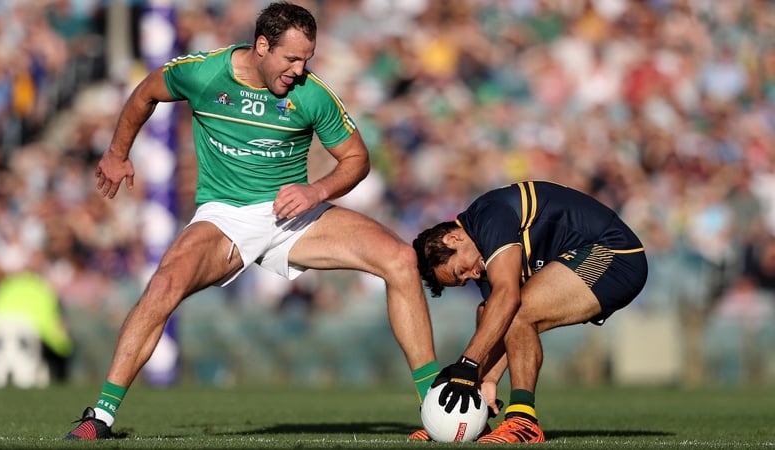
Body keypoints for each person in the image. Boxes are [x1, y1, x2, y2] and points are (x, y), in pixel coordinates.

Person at [64, 2, 437, 440]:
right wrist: (116, 153)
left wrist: (316, 190)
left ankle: (435, 405)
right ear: (262, 46)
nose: (300, 70)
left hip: (293, 216)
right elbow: (146, 91)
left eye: (307, 60)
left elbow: (357, 158)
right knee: (164, 285)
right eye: (291, 59)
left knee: (400, 259)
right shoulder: (203, 73)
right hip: (226, 218)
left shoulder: (312, 93)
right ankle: (101, 419)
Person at [410, 180, 648, 443]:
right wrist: (482, 382)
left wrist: (467, 365)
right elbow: (495, 322)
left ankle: (523, 421)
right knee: (492, 312)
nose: (473, 275)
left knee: (516, 308)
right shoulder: (483, 253)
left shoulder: (490, 214)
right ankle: (461, 416)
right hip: (591, 257)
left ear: (453, 238)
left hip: (615, 254)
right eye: (464, 279)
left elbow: (509, 300)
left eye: (461, 271)